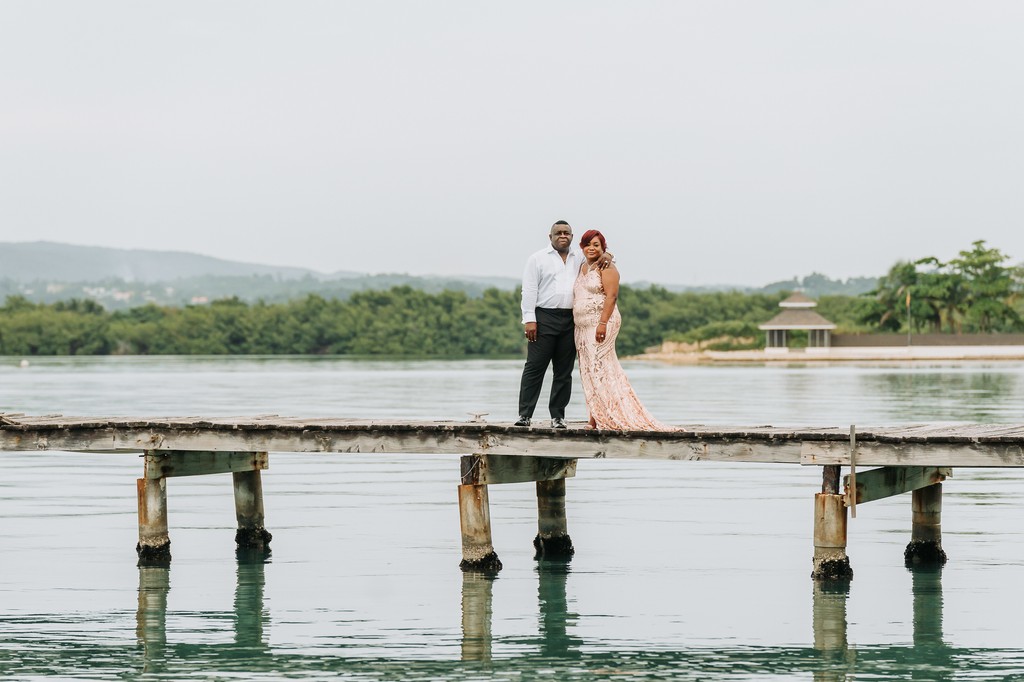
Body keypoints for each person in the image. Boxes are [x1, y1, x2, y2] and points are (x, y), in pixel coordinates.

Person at [572, 229, 680, 431]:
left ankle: (605, 417)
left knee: (600, 370)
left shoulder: (607, 267)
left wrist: (602, 323)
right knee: (588, 371)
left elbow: (611, 297)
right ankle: (595, 416)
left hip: (601, 323)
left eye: (596, 245)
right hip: (581, 328)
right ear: (582, 247)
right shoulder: (581, 266)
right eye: (588, 244)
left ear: (604, 247)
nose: (592, 248)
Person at [516, 221, 611, 428]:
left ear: (571, 236)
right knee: (534, 368)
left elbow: (599, 258)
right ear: (550, 237)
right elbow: (529, 290)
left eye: (566, 233)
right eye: (558, 233)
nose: (562, 235)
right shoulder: (537, 259)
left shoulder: (580, 258)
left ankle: (557, 416)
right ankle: (525, 415)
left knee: (563, 371)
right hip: (543, 318)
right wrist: (529, 319)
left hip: (570, 320)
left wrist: (608, 255)